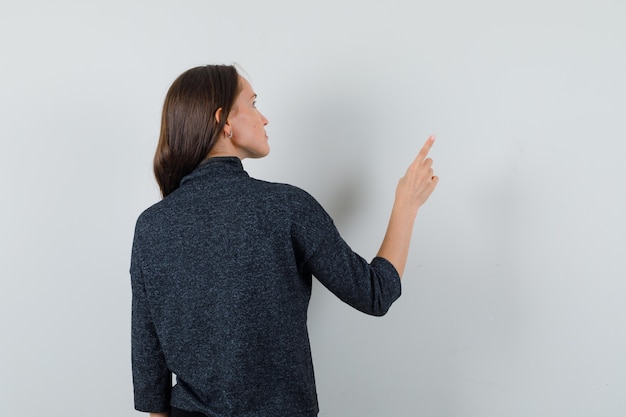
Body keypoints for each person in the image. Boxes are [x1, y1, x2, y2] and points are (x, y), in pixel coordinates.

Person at [130, 64, 438, 417]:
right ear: (223, 122)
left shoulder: (151, 226)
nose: (264, 119)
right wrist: (406, 205)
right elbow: (375, 293)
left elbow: (150, 370)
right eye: (253, 103)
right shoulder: (286, 207)